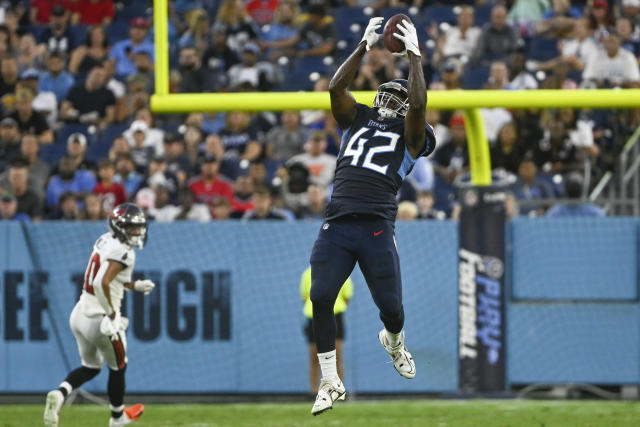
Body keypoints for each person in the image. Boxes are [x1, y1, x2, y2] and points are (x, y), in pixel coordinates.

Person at [308, 17, 436, 415]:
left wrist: (414, 56)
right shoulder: (358, 118)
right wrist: (363, 45)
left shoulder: (410, 136)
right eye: (387, 95)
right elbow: (335, 87)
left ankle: (394, 342)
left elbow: (416, 104)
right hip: (338, 222)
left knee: (392, 309)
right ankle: (330, 381)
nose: (388, 101)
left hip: (376, 227)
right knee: (320, 296)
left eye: (396, 99)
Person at [43, 203, 154, 427]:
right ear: (120, 227)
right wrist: (112, 315)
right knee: (119, 366)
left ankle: (61, 393)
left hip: (80, 314)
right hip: (100, 320)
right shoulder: (124, 252)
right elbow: (100, 281)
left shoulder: (106, 239)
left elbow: (109, 279)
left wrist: (134, 285)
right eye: (132, 228)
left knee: (91, 367)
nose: (137, 232)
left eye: (138, 227)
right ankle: (117, 417)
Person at [300, 266, 352, 394]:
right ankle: (314, 392)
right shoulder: (307, 274)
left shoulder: (342, 272)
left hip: (336, 315)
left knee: (337, 356)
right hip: (314, 316)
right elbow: (305, 297)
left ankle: (338, 391)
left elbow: (347, 296)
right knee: (314, 357)